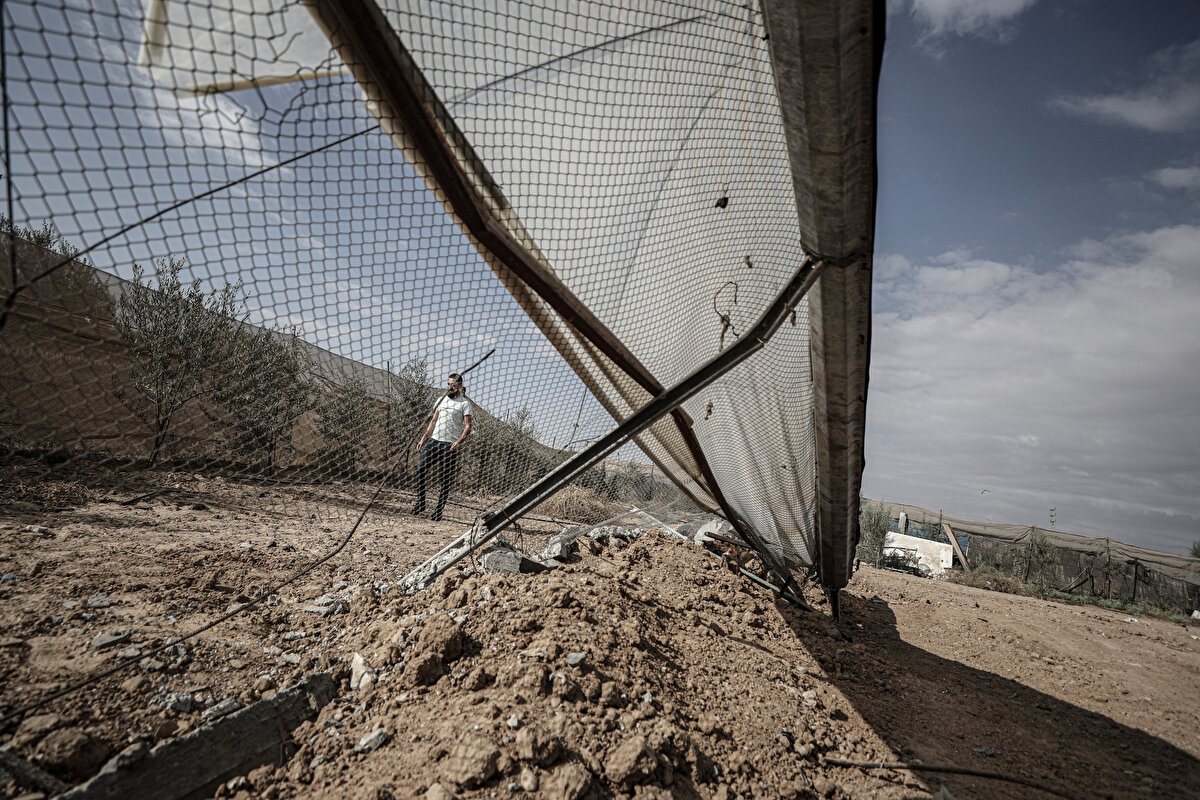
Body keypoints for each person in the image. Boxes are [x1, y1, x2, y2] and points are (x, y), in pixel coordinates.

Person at [411, 372, 472, 521]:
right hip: (433, 441)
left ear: (459, 386)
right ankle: (421, 501)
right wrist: (424, 437)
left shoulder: (464, 404)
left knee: (445, 479)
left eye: (452, 384)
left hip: (449, 446)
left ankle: (438, 511)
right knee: (420, 469)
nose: (449, 387)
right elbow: (433, 421)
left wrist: (459, 442)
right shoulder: (441, 400)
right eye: (448, 384)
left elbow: (468, 426)